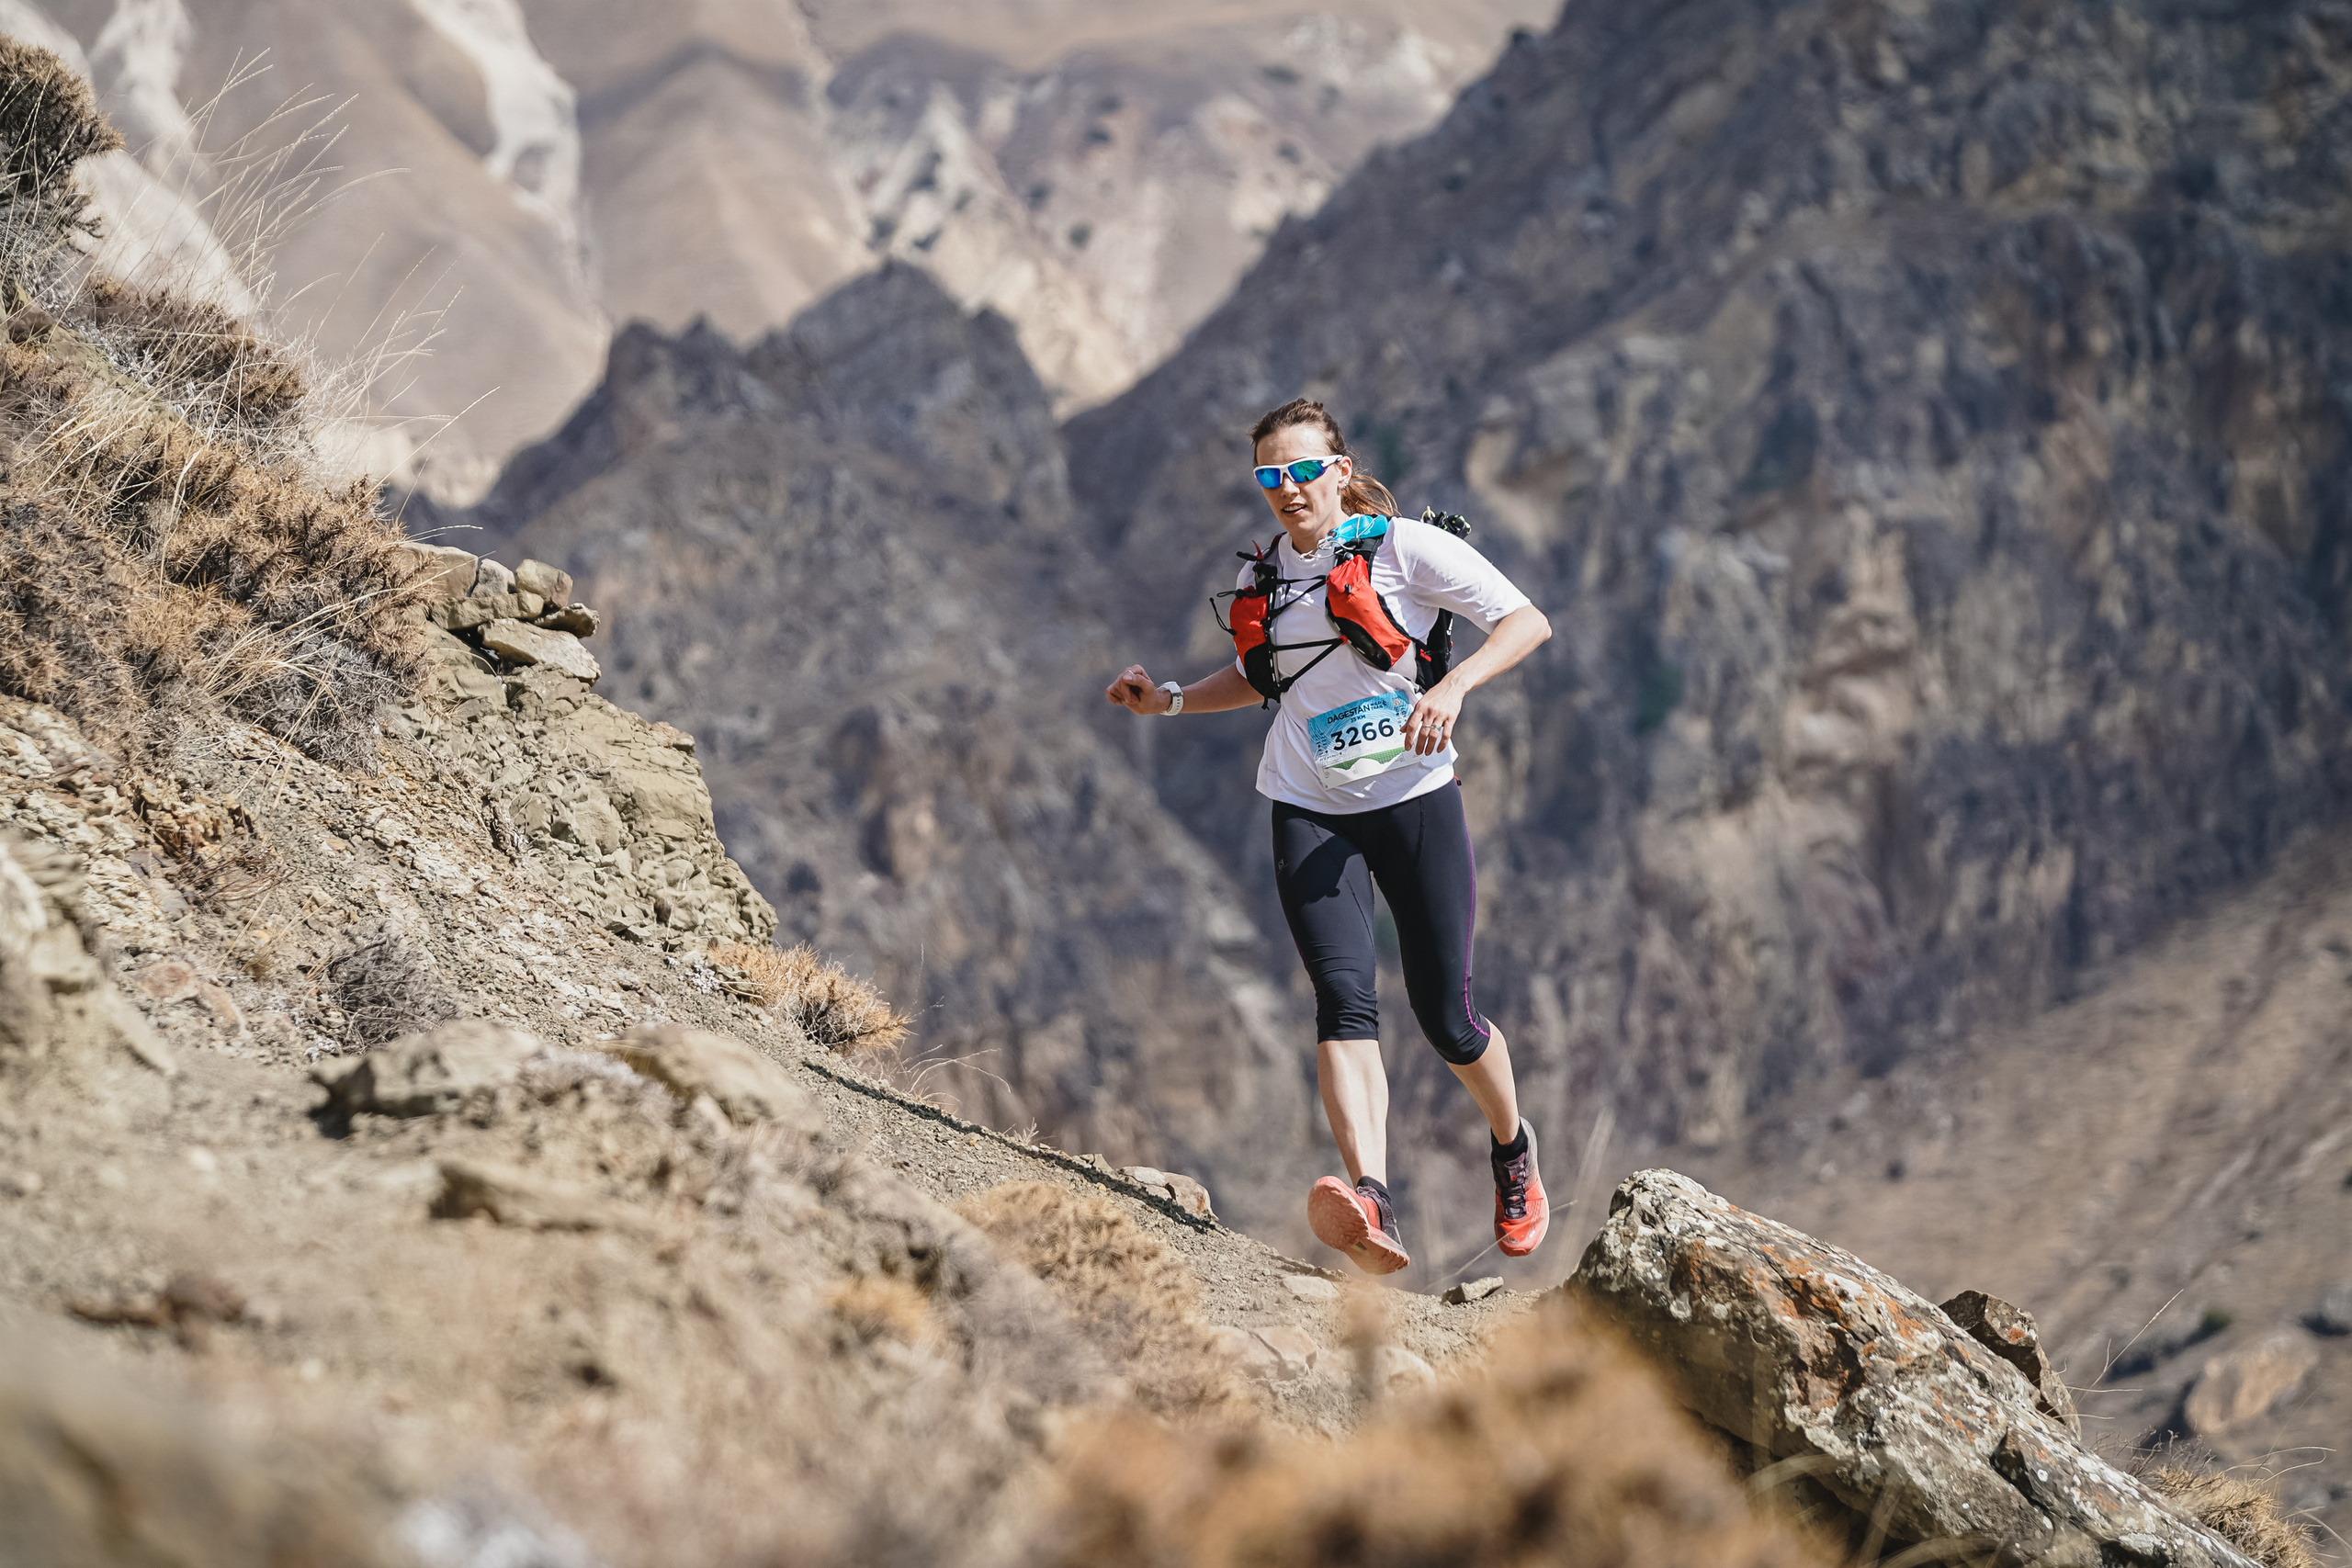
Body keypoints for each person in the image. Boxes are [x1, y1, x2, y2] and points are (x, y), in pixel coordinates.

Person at [1104, 397, 1554, 1275]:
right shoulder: (1260, 579)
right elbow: (1260, 674)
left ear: (1339, 471)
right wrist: (1172, 700)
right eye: (1270, 475)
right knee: (1343, 1002)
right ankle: (1372, 1198)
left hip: (1416, 794)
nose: (1288, 489)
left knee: (1447, 1019)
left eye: (1303, 470)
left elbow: (1526, 621)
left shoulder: (1405, 549)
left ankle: (1511, 1149)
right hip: (1307, 803)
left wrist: (1453, 689)